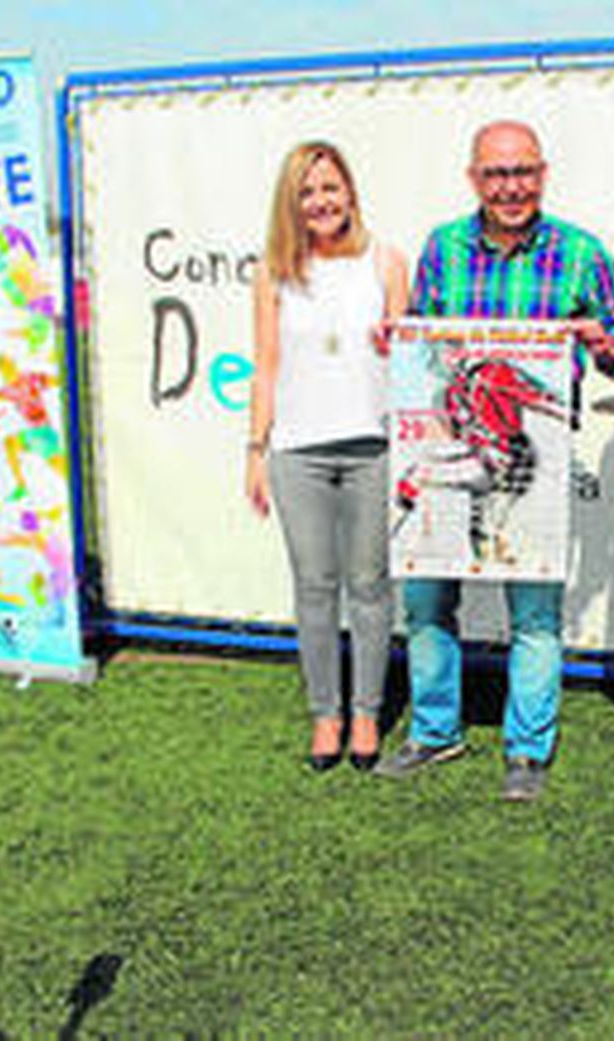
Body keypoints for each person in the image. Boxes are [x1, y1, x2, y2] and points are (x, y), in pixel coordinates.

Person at [374, 119, 614, 802]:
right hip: (450, 442)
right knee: (427, 596)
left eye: (522, 173)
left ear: (542, 175)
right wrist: (395, 341)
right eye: (495, 174)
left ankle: (527, 748)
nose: (510, 187)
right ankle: (435, 729)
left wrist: (605, 344)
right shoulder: (443, 248)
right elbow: (421, 346)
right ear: (474, 179)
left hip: (534, 463)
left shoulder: (580, 253)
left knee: (537, 611)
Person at [246, 141, 408, 772]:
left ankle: (366, 711)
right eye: (307, 192)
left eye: (330, 188)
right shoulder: (273, 272)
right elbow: (266, 368)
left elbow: (408, 357)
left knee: (369, 586)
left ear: (351, 192)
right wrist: (255, 449)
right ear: (292, 203)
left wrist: (392, 342)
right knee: (315, 588)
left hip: (374, 446)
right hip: (297, 453)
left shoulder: (387, 261)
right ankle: (326, 714)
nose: (321, 202)